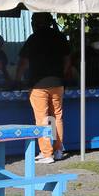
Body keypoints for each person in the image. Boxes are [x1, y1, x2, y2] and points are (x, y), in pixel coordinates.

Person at [16, 12, 72, 165]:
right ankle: (58, 150)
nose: (33, 23)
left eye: (33, 20)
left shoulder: (34, 39)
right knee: (56, 117)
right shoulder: (59, 36)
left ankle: (46, 153)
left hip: (38, 84)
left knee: (42, 118)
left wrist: (16, 79)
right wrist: (62, 74)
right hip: (57, 82)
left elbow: (23, 63)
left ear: (37, 23)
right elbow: (67, 60)